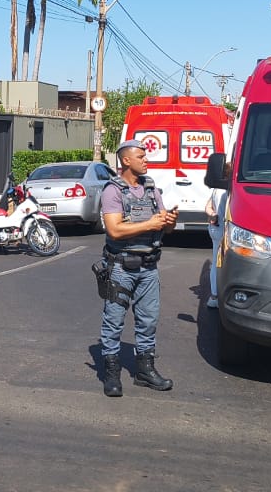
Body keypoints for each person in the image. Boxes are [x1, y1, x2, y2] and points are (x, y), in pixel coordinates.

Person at [97, 139, 178, 397]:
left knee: (148, 321)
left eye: (145, 156)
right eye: (141, 156)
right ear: (126, 161)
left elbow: (163, 225)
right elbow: (114, 229)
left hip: (149, 267)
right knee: (113, 321)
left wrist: (169, 222)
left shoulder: (152, 189)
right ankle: (111, 373)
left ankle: (145, 370)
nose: (146, 160)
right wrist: (151, 224)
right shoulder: (113, 191)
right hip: (121, 267)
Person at [204, 164, 230, 310]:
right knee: (223, 263)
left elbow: (207, 207)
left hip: (214, 228)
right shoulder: (225, 191)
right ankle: (217, 295)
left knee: (215, 261)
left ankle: (214, 295)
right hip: (222, 230)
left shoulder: (216, 189)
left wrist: (213, 215)